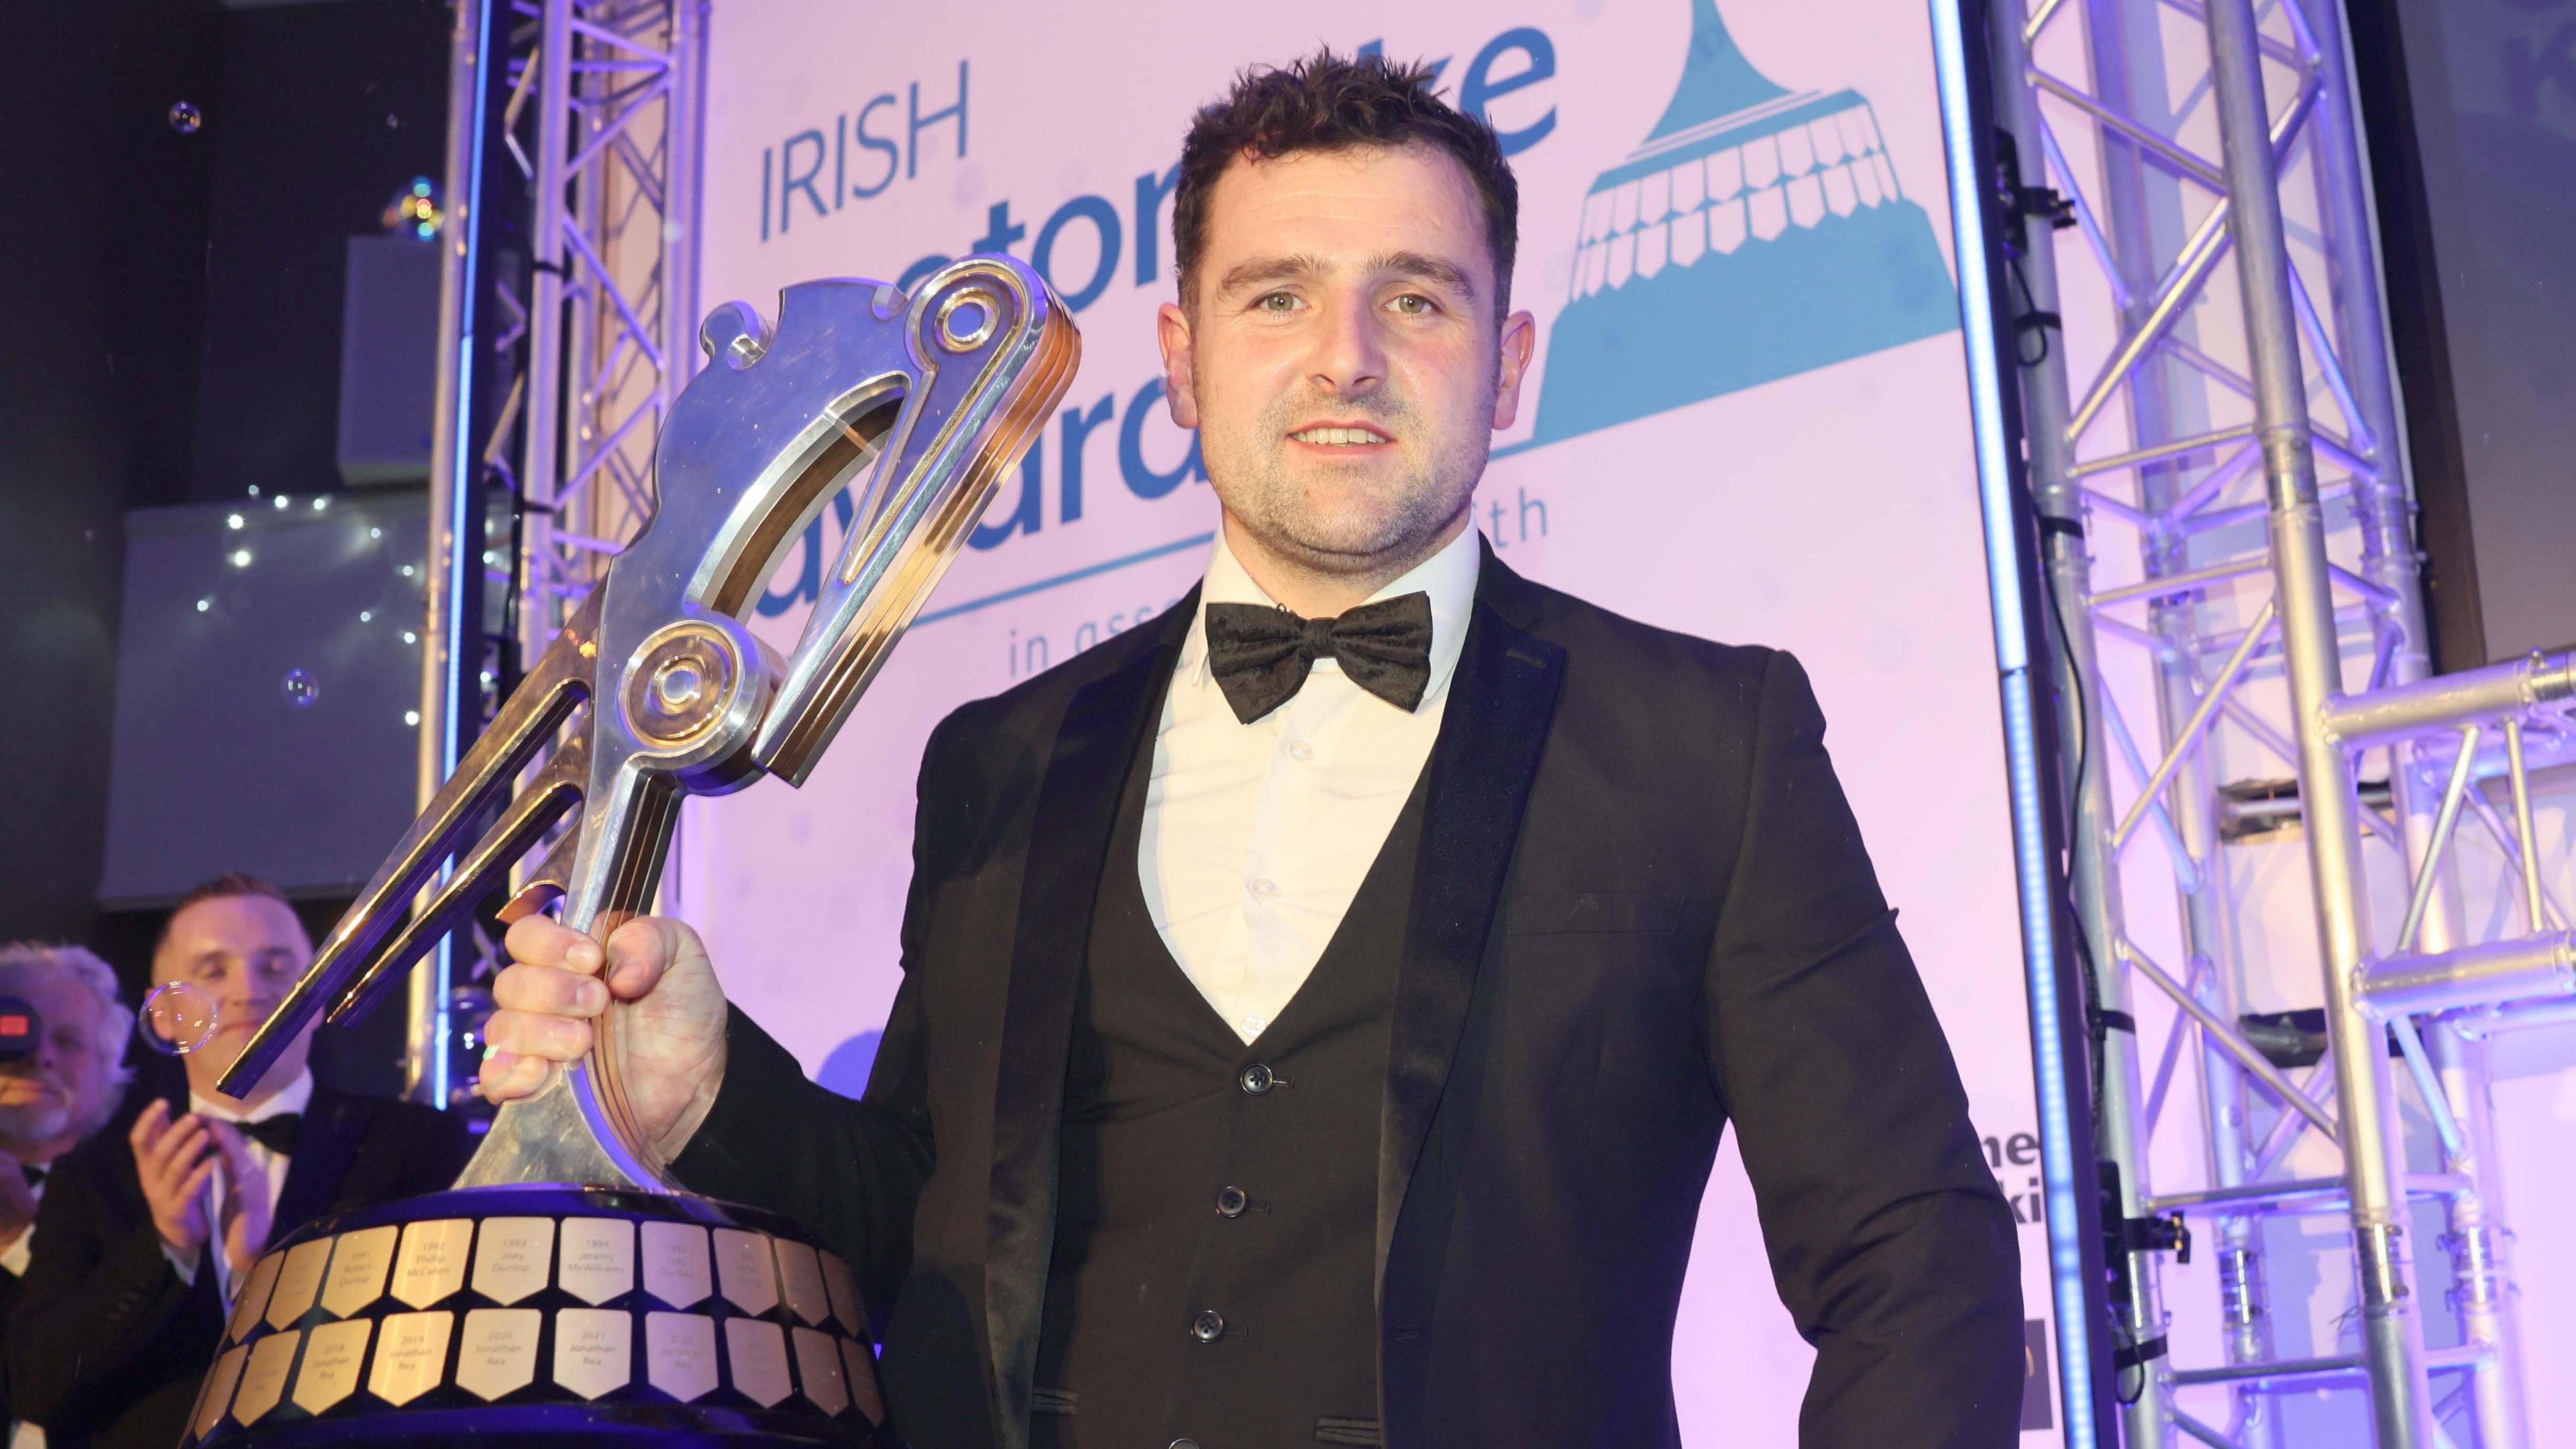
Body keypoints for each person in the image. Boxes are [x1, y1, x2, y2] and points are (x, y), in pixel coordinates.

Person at [484, 51, 2023, 1448]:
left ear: (1509, 362)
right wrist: (709, 1095)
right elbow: (916, 1231)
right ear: (1182, 357)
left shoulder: (1703, 741)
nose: (1344, 357)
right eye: (1276, 297)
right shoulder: (1000, 759)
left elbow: (1914, 1252)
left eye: (1415, 299)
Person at [6, 875, 472, 1449]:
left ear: (317, 994)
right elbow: (36, 1388)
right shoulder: (94, 1174)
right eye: (212, 971)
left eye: (275, 968)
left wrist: (265, 1275)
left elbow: (447, 1350)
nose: (248, 991)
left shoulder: (415, 1145)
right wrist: (167, 1245)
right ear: (164, 1015)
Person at [0, 945, 134, 1449]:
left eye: (69, 1040)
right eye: (16, 1030)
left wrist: (19, 1238)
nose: (40, 1056)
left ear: (108, 1074)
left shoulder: (149, 1202)